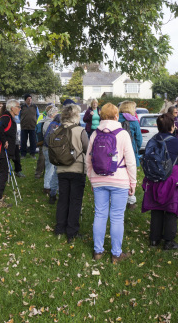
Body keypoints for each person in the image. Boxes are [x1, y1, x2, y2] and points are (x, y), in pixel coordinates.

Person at [86, 103, 137, 263]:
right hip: (120, 179)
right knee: (116, 217)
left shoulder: (95, 133)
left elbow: (88, 159)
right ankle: (116, 254)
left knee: (100, 215)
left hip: (99, 179)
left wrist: (91, 178)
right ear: (116, 116)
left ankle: (98, 251)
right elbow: (131, 161)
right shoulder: (122, 134)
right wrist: (133, 182)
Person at [141, 113, 178, 249]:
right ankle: (169, 241)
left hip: (154, 177)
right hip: (171, 178)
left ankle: (154, 239)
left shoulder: (152, 140)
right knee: (171, 209)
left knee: (156, 209)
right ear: (172, 127)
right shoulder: (177, 142)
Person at [54, 104, 90, 242]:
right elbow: (87, 149)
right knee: (75, 201)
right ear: (76, 115)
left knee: (63, 199)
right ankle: (72, 232)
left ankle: (59, 228)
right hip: (77, 169)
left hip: (61, 168)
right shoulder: (80, 130)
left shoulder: (57, 130)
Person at [0, 99, 20, 208]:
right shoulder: (6, 118)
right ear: (12, 108)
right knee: (3, 175)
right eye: (18, 106)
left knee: (1, 174)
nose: (20, 108)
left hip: (4, 151)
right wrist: (4, 141)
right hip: (3, 151)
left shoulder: (8, 118)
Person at [119, 101, 143, 210]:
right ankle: (131, 200)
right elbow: (139, 139)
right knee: (131, 175)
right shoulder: (134, 121)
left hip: (116, 152)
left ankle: (118, 198)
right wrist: (136, 150)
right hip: (130, 151)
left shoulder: (116, 119)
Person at [42, 105, 61, 203]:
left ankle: (48, 185)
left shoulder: (48, 122)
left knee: (50, 167)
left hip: (46, 147)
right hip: (48, 148)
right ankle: (47, 187)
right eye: (56, 112)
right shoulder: (50, 123)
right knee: (50, 168)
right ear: (53, 113)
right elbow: (47, 137)